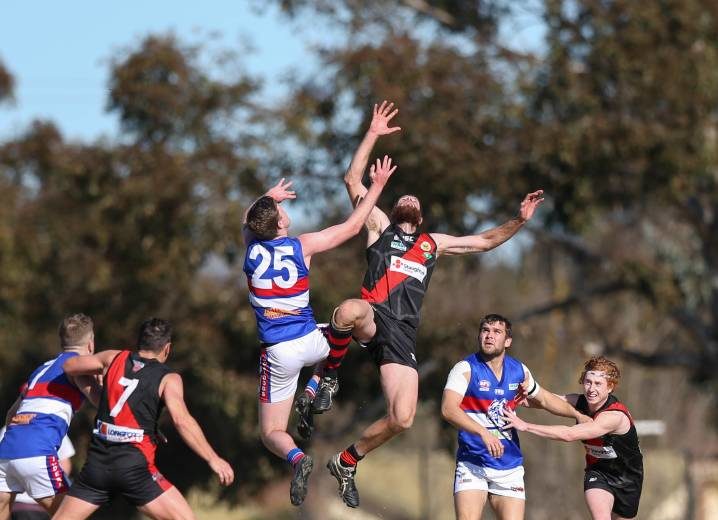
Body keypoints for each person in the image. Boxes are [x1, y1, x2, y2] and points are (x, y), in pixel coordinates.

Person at [317, 100, 545, 508]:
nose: (408, 199)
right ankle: (328, 378)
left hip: (402, 335)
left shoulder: (431, 244)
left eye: (415, 201)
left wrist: (520, 221)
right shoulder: (378, 225)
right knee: (350, 309)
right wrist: (372, 133)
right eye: (403, 197)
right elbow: (352, 177)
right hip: (374, 316)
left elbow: (484, 242)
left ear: (420, 217)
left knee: (402, 418)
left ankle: (347, 461)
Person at [242, 153, 397, 506]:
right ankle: (319, 384)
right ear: (281, 222)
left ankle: (298, 458)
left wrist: (266, 198)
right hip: (312, 341)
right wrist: (377, 186)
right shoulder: (302, 245)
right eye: (279, 209)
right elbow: (353, 227)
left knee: (272, 432)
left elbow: (247, 220)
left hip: (278, 353)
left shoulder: (250, 249)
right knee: (343, 330)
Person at [51, 318, 234, 520]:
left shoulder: (113, 357)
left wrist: (97, 392)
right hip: (135, 469)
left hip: (97, 467)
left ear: (139, 342)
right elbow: (182, 420)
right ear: (167, 348)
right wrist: (213, 458)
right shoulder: (169, 378)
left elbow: (69, 366)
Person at [441, 314, 587, 520]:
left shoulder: (519, 371)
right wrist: (483, 433)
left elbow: (545, 399)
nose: (489, 336)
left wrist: (577, 414)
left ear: (508, 341)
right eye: (485, 330)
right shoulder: (465, 369)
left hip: (508, 467)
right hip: (472, 463)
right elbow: (448, 409)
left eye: (496, 332)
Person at [503, 356, 643, 520]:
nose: (591, 389)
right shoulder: (579, 401)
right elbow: (547, 400)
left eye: (598, 384)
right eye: (588, 382)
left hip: (628, 479)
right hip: (598, 472)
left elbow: (569, 434)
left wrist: (526, 426)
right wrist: (519, 394)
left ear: (610, 387)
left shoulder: (614, 416)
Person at [0, 314, 98, 520]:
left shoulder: (40, 370)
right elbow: (102, 403)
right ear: (90, 344)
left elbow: (11, 414)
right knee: (69, 516)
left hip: (6, 453)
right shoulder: (79, 366)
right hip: (37, 452)